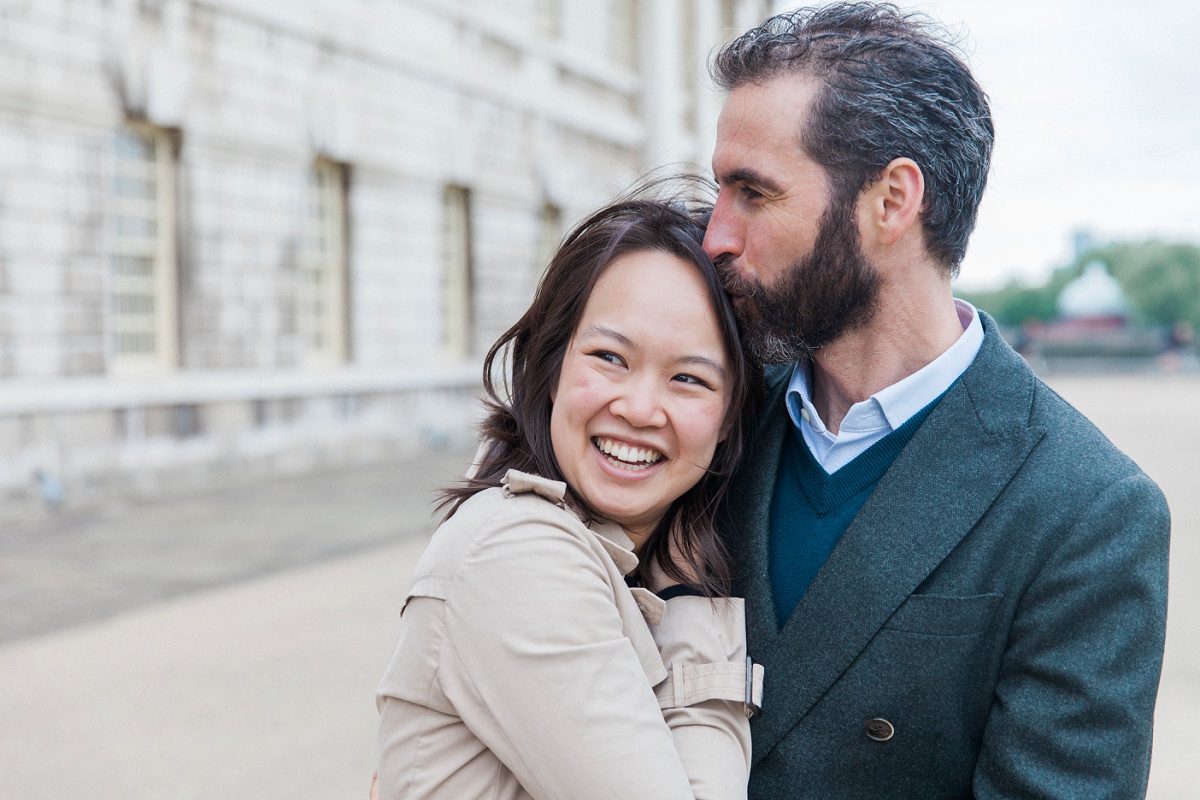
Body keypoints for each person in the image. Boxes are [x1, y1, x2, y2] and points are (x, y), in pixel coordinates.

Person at [702, 4, 1170, 798]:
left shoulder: (1088, 510)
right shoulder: (705, 421)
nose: (716, 234)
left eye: (753, 192)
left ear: (891, 201)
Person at [373, 196, 764, 799]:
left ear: (730, 417)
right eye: (609, 358)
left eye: (688, 378)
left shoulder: (611, 557)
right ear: (552, 367)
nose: (638, 408)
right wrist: (693, 600)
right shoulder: (516, 554)